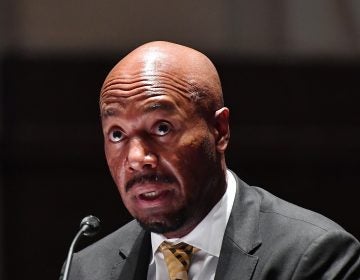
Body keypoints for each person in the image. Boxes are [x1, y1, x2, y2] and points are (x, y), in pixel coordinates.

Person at [62, 41, 360, 279]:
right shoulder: (87, 270)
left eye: (161, 128)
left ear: (219, 131)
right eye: (116, 134)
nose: (137, 158)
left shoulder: (311, 254)